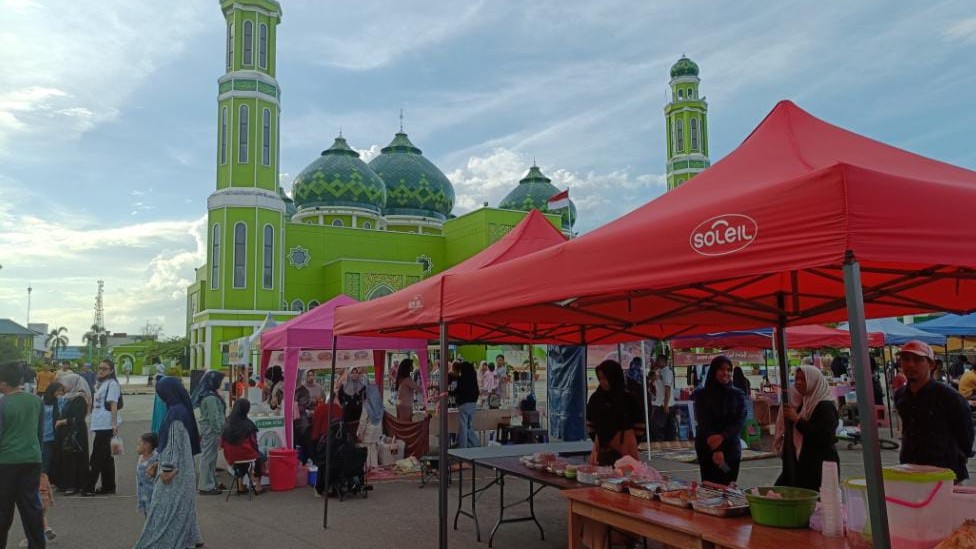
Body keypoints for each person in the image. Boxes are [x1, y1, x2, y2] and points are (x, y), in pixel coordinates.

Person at [134, 376, 204, 548]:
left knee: (164, 510)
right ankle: (191, 539)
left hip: (175, 473)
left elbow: (173, 445)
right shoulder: (181, 410)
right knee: (181, 509)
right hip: (184, 469)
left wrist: (166, 469)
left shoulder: (175, 414)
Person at [894, 340, 974, 482]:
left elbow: (966, 435)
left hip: (946, 473)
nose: (911, 364)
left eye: (918, 360)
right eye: (906, 359)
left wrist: (959, 456)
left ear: (931, 365)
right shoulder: (901, 395)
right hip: (911, 468)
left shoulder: (949, 397)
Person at [0, 361, 46, 549]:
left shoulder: (2, 403)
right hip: (32, 459)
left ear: (3, 383)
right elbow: (40, 433)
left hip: (6, 462)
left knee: (3, 510)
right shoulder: (36, 401)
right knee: (31, 508)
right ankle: (37, 545)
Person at [774, 365, 840, 490]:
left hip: (819, 467)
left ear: (813, 381)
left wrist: (797, 420)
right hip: (805, 466)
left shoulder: (825, 405)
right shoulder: (805, 402)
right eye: (797, 379)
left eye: (803, 379)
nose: (798, 383)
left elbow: (824, 437)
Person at [694, 355, 747, 485]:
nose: (726, 373)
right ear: (713, 371)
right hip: (708, 449)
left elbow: (740, 419)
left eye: (729, 370)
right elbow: (704, 421)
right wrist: (716, 450)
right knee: (711, 487)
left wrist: (723, 436)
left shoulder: (738, 394)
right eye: (721, 369)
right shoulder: (702, 394)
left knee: (728, 484)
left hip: (730, 450)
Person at [586, 360, 644, 466]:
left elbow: (640, 424)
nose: (603, 382)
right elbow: (589, 423)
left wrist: (631, 441)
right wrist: (599, 439)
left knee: (626, 480)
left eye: (605, 378)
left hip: (626, 449)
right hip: (602, 449)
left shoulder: (628, 399)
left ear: (614, 377)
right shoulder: (596, 399)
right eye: (600, 378)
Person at [84, 359, 121, 496]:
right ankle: (108, 486)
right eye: (99, 368)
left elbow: (113, 403)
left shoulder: (112, 384)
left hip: (106, 424)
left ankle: (89, 487)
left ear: (111, 371)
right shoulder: (101, 384)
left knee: (97, 457)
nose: (100, 371)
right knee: (106, 458)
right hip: (99, 424)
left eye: (104, 369)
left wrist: (113, 423)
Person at [220, 399, 266, 495]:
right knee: (260, 456)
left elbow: (222, 443)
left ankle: (240, 485)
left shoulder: (227, 423)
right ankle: (258, 486)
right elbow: (253, 443)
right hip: (246, 454)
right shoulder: (248, 425)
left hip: (231, 456)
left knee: (240, 456)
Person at [54, 374, 90, 496]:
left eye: (65, 384)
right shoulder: (69, 397)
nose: (63, 387)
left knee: (74, 458)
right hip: (67, 432)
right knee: (67, 458)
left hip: (76, 433)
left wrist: (62, 422)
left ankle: (74, 485)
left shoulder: (80, 398)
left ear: (72, 383)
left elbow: (78, 418)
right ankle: (66, 484)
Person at [191, 371, 225, 495]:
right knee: (208, 457)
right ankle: (206, 485)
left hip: (208, 429)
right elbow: (214, 417)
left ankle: (211, 482)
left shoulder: (207, 394)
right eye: (219, 381)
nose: (220, 384)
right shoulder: (210, 398)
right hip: (211, 430)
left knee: (211, 457)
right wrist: (220, 432)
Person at [451, 361, 481, 449]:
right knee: (469, 425)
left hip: (463, 404)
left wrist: (450, 393)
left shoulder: (462, 379)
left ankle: (463, 446)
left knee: (463, 426)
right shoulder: (473, 379)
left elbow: (458, 390)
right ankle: (476, 444)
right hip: (473, 404)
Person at [356, 385, 385, 469]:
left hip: (368, 430)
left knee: (366, 448)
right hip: (378, 430)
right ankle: (374, 466)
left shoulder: (366, 405)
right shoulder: (379, 404)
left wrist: (359, 433)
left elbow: (363, 421)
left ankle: (367, 467)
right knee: (374, 448)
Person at [649, 355, 676, 441]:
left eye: (657, 360)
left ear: (663, 361)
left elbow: (667, 388)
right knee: (664, 427)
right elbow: (651, 378)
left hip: (664, 404)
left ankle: (663, 444)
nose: (656, 362)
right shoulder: (659, 372)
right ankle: (664, 444)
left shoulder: (667, 372)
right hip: (660, 403)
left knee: (657, 427)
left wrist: (666, 404)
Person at [135, 433, 159, 516]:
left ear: (147, 446)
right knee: (147, 514)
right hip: (143, 494)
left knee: (153, 515)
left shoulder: (155, 458)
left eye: (139, 444)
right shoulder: (141, 457)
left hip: (152, 494)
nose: (137, 447)